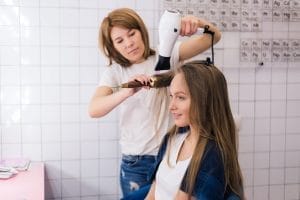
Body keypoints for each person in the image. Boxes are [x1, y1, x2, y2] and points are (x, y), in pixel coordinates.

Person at [88, 7, 221, 197]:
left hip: (172, 155)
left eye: (132, 34)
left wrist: (197, 23)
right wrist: (126, 92)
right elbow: (94, 109)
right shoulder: (115, 73)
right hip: (137, 163)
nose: (129, 43)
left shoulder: (168, 53)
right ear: (113, 47)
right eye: (120, 41)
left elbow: (214, 37)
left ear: (141, 31)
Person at [144, 61, 245, 200]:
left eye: (180, 97)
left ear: (204, 100)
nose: (171, 106)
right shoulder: (172, 137)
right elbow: (152, 194)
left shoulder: (213, 154)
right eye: (171, 96)